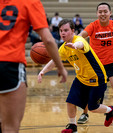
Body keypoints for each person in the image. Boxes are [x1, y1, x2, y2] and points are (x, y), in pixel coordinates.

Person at [37, 19, 113, 133]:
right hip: (81, 78)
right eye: (60, 31)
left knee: (92, 108)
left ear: (73, 31)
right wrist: (43, 71)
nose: (62, 33)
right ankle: (72, 127)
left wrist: (75, 45)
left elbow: (80, 44)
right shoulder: (63, 48)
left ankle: (110, 110)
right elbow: (55, 61)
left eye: (66, 30)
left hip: (97, 78)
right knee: (70, 101)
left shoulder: (79, 40)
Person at [0, 0, 68, 133]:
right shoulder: (29, 2)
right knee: (9, 127)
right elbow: (48, 39)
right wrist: (60, 67)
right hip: (9, 63)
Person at [77, 2, 113, 125]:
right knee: (87, 89)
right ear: (97, 13)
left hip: (112, 62)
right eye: (100, 12)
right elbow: (80, 36)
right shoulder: (93, 26)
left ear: (110, 13)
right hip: (95, 64)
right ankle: (84, 114)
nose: (103, 14)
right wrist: (76, 42)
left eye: (105, 11)